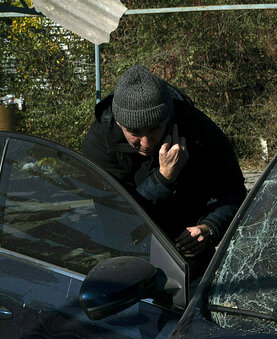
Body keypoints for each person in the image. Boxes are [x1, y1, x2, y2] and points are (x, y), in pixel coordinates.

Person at [83, 65, 246, 275]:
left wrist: (210, 227)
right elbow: (117, 223)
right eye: (134, 132)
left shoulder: (198, 129)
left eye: (154, 128)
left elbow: (233, 190)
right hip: (130, 256)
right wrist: (162, 180)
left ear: (167, 118)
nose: (146, 142)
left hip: (192, 254)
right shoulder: (99, 144)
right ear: (118, 121)